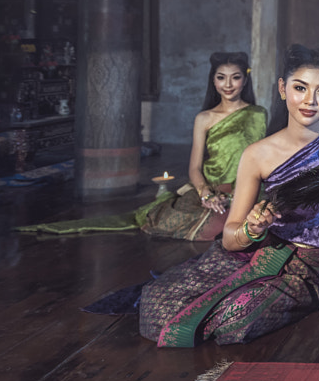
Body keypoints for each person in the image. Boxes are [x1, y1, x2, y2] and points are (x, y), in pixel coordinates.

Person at [138, 44, 319, 348]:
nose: (310, 101)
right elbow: (229, 237)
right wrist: (253, 228)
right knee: (158, 302)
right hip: (270, 251)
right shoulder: (257, 154)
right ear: (282, 88)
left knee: (235, 318)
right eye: (300, 88)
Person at [16, 52, 267, 240]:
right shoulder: (204, 118)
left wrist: (241, 192)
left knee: (245, 224)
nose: (228, 84)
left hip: (245, 188)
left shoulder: (258, 114)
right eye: (221, 78)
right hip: (210, 188)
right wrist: (204, 193)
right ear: (213, 81)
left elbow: (262, 161)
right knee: (166, 222)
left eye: (235, 78)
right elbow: (194, 167)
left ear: (245, 81)